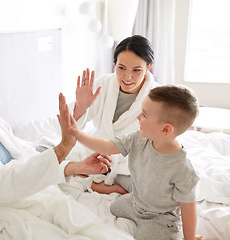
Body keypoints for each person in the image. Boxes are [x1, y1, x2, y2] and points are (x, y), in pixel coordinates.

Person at [0, 57, 133, 240]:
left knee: (101, 231)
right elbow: (1, 183)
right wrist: (63, 148)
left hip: (39, 195)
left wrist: (74, 167)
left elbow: (27, 155)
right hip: (5, 210)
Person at [59, 85, 202, 240]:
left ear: (166, 130)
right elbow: (108, 146)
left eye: (145, 115)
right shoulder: (138, 139)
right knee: (114, 207)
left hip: (159, 217)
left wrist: (190, 238)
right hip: (135, 201)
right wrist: (78, 135)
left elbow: (188, 208)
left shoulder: (182, 169)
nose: (138, 117)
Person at [63, 35, 159, 195]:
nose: (128, 77)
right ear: (115, 64)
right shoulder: (103, 84)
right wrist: (81, 106)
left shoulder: (157, 96)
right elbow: (72, 128)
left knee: (150, 190)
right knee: (53, 161)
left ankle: (95, 181)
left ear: (148, 67)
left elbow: (157, 141)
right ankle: (96, 184)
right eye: (121, 68)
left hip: (131, 157)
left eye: (137, 70)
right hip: (99, 147)